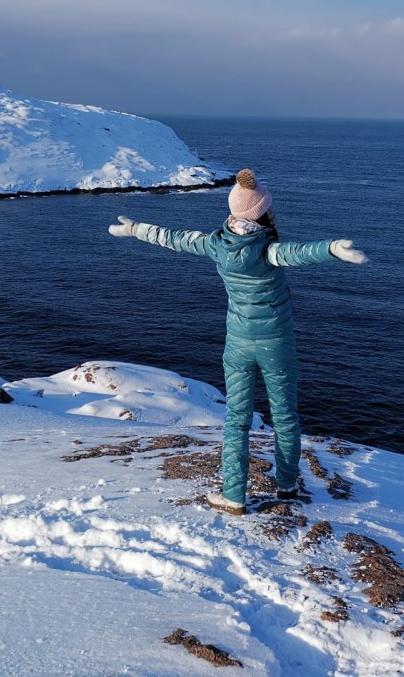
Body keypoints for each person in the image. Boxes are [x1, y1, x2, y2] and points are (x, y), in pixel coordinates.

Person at [108, 168, 367, 516]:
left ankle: (233, 496)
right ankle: (287, 485)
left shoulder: (217, 244)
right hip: (276, 344)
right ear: (261, 212)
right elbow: (299, 252)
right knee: (285, 416)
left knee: (236, 420)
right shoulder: (268, 250)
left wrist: (135, 229)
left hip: (239, 344)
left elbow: (173, 237)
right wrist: (333, 249)